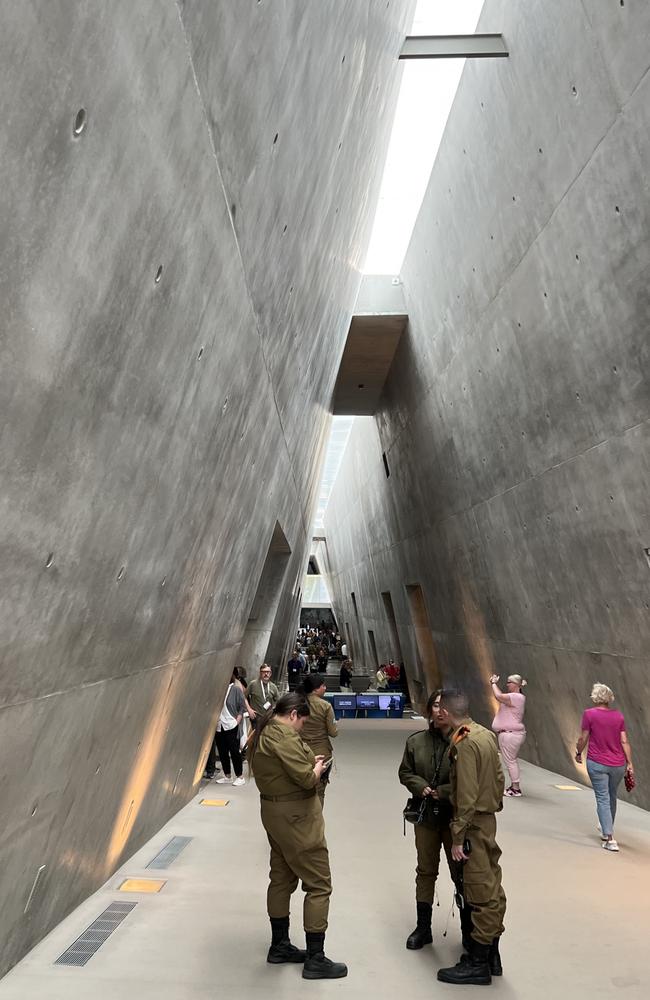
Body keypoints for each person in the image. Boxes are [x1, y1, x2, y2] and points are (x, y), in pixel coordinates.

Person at [249, 693, 347, 979]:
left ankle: (279, 945)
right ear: (293, 714)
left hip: (275, 813)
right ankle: (316, 958)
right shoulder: (284, 737)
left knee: (281, 877)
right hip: (297, 818)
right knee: (318, 884)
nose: (301, 727)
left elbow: (287, 767)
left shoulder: (265, 732)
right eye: (301, 722)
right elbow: (306, 779)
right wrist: (316, 768)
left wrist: (307, 763)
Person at [435, 688, 506, 986]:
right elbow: (499, 777)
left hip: (473, 824)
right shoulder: (485, 735)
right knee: (492, 883)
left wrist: (456, 836)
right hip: (487, 820)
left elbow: (465, 795)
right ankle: (492, 954)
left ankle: (477, 962)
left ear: (446, 713)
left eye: (440, 709)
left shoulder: (463, 744)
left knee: (480, 892)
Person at [398, 690, 470, 951]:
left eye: (444, 706)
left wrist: (446, 792)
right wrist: (420, 786)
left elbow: (470, 781)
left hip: (454, 818)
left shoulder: (464, 743)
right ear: (429, 709)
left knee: (460, 873)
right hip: (426, 817)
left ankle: (468, 929)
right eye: (435, 706)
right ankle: (423, 927)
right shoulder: (416, 742)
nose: (439, 711)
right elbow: (405, 772)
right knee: (425, 870)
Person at [575, 682, 634, 852]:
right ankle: (606, 828)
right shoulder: (618, 716)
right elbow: (624, 741)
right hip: (617, 764)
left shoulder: (589, 714)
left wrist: (578, 752)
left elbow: (583, 738)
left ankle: (610, 838)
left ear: (595, 697)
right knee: (611, 796)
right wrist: (629, 763)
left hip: (597, 762)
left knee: (602, 797)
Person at [299, 674, 338, 804]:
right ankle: (316, 820)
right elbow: (333, 733)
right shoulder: (325, 706)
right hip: (322, 752)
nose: (325, 688)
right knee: (319, 791)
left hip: (300, 750)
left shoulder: (298, 704)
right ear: (316, 689)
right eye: (323, 686)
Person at [490, 673, 527, 796]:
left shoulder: (516, 697)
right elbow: (501, 696)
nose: (507, 684)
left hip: (510, 734)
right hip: (511, 733)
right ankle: (514, 786)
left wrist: (493, 683)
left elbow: (498, 696)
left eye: (509, 682)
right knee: (511, 761)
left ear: (516, 684)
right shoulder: (516, 697)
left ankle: (515, 788)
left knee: (510, 761)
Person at [215, 672, 247, 786]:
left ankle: (240, 776)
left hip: (231, 724)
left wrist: (237, 721)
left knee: (234, 751)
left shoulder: (235, 689)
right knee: (223, 752)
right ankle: (227, 775)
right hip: (219, 725)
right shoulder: (218, 689)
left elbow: (242, 706)